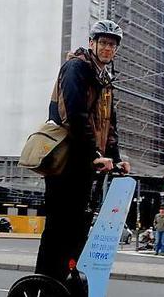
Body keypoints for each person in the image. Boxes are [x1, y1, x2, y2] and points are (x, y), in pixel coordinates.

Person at [33, 20, 131, 282]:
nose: (108, 48)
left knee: (78, 226)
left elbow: (109, 124)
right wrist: (95, 155)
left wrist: (117, 158)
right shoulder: (76, 68)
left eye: (112, 44)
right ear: (92, 43)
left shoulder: (104, 78)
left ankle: (65, 278)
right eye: (103, 42)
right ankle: (46, 282)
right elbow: (74, 115)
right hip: (67, 159)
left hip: (88, 162)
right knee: (58, 226)